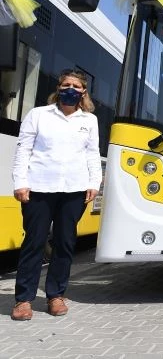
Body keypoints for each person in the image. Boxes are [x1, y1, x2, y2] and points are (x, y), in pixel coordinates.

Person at [10, 69, 101, 321]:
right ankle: (23, 300)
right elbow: (23, 150)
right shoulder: (38, 115)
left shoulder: (89, 120)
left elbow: (92, 153)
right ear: (58, 88)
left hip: (74, 190)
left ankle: (56, 295)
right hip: (39, 187)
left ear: (83, 91)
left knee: (64, 243)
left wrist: (94, 182)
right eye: (66, 84)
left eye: (76, 85)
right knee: (34, 242)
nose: (70, 88)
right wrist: (20, 182)